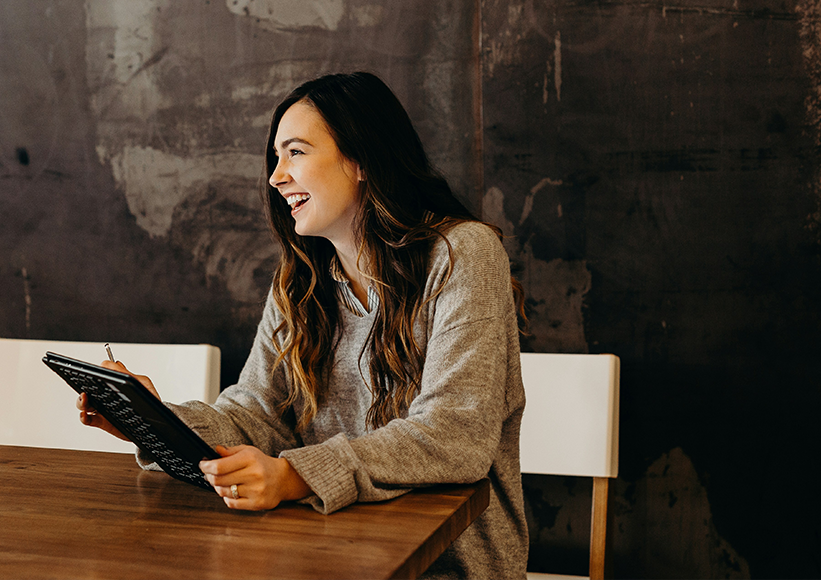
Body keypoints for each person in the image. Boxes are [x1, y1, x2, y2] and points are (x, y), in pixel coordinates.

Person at [77, 72, 528, 579]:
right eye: (275, 157)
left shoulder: (462, 254)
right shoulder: (300, 282)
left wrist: (294, 476)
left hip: (444, 567)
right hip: (322, 554)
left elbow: (454, 435)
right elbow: (256, 416)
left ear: (360, 160)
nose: (275, 176)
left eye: (295, 152)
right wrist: (155, 422)